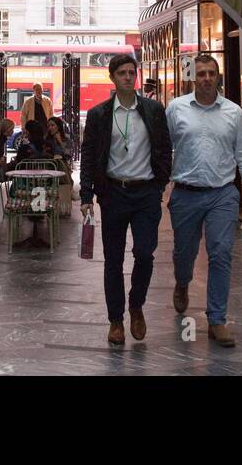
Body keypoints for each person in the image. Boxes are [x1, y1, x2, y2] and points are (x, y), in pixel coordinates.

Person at [165, 53, 242, 348]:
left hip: (222, 194)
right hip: (185, 193)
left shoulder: (233, 113)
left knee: (220, 254)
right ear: (194, 76)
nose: (206, 78)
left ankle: (217, 319)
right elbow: (162, 148)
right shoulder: (176, 109)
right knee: (185, 253)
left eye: (211, 73)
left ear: (218, 77)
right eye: (201, 73)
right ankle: (182, 282)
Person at [80, 54, 172, 347]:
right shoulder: (99, 115)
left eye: (132, 72)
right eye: (122, 73)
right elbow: (89, 155)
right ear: (112, 77)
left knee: (145, 253)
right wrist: (86, 194)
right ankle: (116, 320)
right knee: (113, 260)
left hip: (146, 192)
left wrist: (159, 185)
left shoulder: (154, 110)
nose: (128, 77)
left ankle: (136, 304)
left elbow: (165, 148)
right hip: (113, 193)